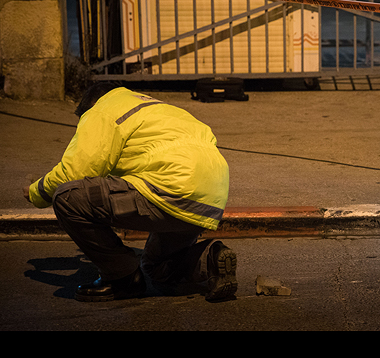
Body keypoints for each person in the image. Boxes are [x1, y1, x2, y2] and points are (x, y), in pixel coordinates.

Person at [24, 83, 236, 302]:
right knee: (155, 267)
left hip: (168, 189)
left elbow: (75, 171)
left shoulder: (102, 109)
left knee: (67, 198)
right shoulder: (160, 109)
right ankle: (209, 261)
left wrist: (36, 191)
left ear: (91, 105)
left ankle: (122, 279)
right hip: (210, 200)